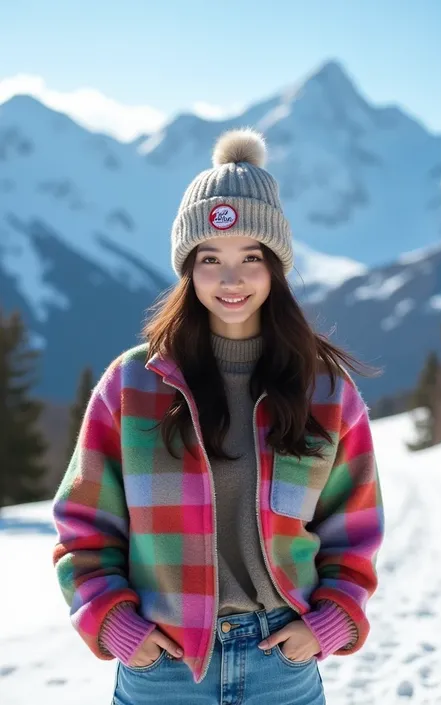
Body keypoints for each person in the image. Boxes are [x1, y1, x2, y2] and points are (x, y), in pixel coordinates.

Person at [52, 128, 384, 705]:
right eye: (211, 259)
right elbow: (84, 526)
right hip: (166, 667)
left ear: (275, 267)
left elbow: (353, 532)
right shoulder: (133, 384)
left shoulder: (326, 392)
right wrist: (116, 625)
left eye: (250, 259)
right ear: (189, 270)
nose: (231, 279)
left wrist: (327, 624)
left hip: (281, 663)